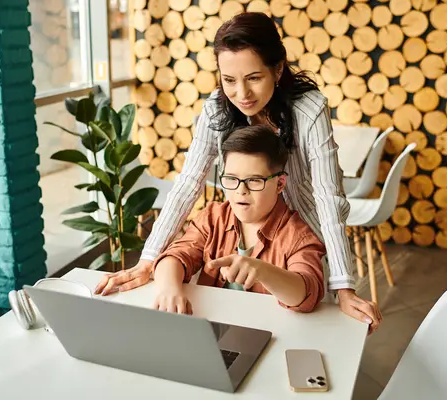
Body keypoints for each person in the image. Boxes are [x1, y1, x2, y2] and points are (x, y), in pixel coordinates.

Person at [95, 12, 382, 333]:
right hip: (247, 227)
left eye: (254, 78)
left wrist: (343, 286)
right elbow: (189, 183)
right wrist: (149, 260)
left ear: (278, 69)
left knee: (308, 321)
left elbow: (329, 197)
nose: (242, 93)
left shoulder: (309, 109)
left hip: (302, 231)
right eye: (229, 80)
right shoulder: (215, 108)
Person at [152, 125, 325, 314]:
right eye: (231, 179)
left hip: (269, 331)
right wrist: (169, 288)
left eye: (254, 180)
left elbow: (307, 293)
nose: (241, 190)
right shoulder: (213, 217)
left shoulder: (299, 235)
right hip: (213, 326)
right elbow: (175, 256)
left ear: (280, 183)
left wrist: (262, 271)